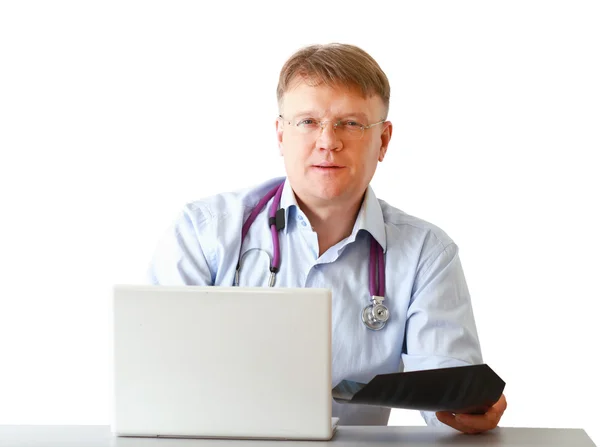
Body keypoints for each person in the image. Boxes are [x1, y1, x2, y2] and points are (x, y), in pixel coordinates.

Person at [147, 43, 507, 434]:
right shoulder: (203, 232)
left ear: (383, 141)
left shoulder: (426, 254)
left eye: (351, 123)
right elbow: (154, 378)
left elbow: (446, 393)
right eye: (307, 122)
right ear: (281, 135)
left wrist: (466, 413)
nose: (328, 141)